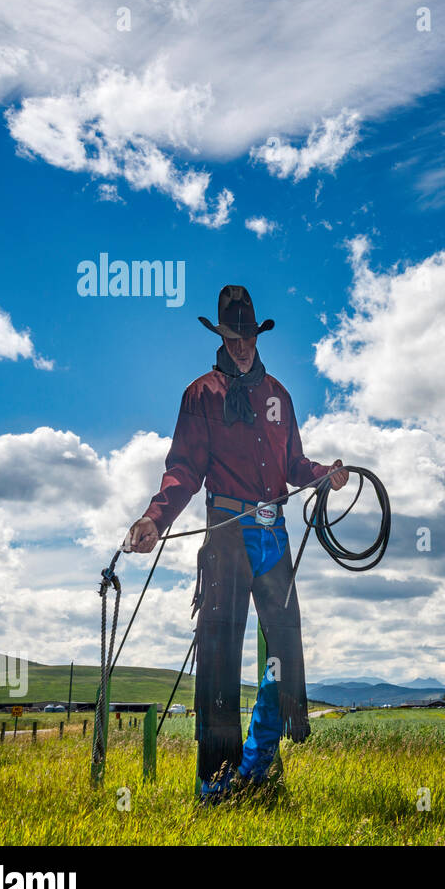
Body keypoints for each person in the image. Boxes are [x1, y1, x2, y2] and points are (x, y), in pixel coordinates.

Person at [125, 284, 347, 802]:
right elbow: (183, 470)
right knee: (220, 660)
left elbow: (294, 464)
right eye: (233, 334)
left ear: (256, 333)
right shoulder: (200, 395)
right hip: (226, 535)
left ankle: (259, 765)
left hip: (276, 535)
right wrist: (154, 519)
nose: (242, 344)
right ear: (221, 335)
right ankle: (215, 784)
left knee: (285, 656)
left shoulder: (279, 396)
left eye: (247, 334)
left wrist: (324, 474)